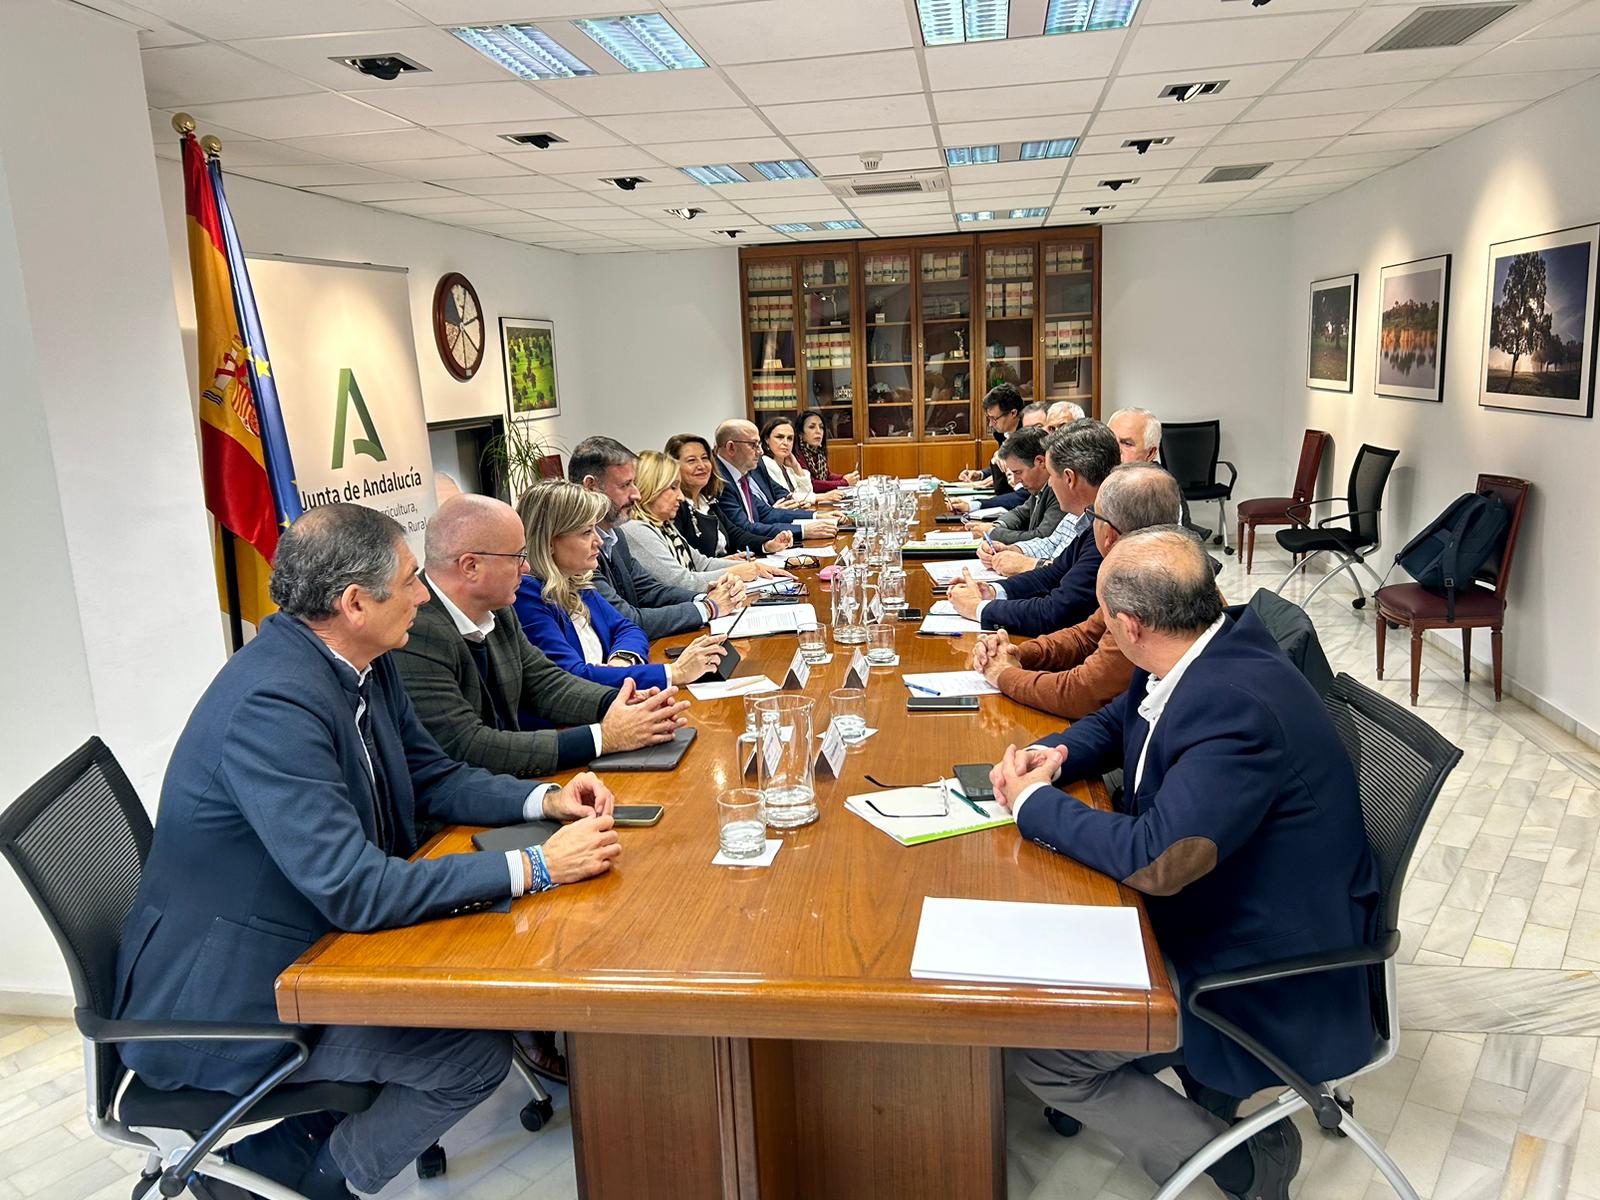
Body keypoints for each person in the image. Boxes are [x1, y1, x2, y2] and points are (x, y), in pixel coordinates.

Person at [113, 503, 621, 1200]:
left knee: (482, 992)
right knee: (467, 1054)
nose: (423, 594)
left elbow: (432, 774)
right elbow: (355, 890)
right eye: (412, 581)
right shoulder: (274, 705)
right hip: (240, 997)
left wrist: (543, 801)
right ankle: (326, 1182)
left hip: (308, 947)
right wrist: (537, 865)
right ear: (355, 602)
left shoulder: (362, 659)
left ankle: (277, 1158)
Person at [989, 527, 1380, 1200]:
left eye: (1108, 622)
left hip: (1261, 968)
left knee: (1043, 1049)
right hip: (1228, 907)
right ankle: (1206, 1098)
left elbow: (1159, 859)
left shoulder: (1235, 705)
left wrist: (1032, 808)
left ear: (1131, 625)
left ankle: (1246, 1163)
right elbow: (1118, 721)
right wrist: (1056, 757)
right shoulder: (1198, 643)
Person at [395, 493, 689, 776]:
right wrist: (604, 737)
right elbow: (469, 744)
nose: (525, 566)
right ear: (471, 566)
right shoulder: (419, 631)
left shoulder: (498, 606)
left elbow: (546, 683)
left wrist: (623, 702)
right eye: (517, 556)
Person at [970, 464, 1182, 718]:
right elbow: (1085, 637)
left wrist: (1004, 674)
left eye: (1094, 517)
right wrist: (1017, 653)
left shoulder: (1148, 588)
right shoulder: (1153, 562)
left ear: (1109, 534)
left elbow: (1084, 693)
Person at [516, 481, 727, 693]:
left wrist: (622, 660)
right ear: (549, 541)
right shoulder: (528, 594)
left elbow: (629, 628)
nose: (598, 540)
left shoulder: (578, 581)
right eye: (586, 532)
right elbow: (573, 677)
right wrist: (675, 672)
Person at [947, 419, 1118, 636]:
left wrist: (977, 608)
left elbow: (1055, 612)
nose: (1049, 484)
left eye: (1051, 475)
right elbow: (1053, 574)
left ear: (1069, 478)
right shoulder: (1091, 518)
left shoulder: (1108, 530)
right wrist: (991, 591)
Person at [569, 435, 742, 639]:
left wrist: (704, 596)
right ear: (591, 487)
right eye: (625, 485)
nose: (636, 494)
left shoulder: (616, 536)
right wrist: (708, 608)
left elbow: (650, 590)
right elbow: (626, 619)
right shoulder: (578, 549)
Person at [622, 450, 790, 592]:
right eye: (673, 488)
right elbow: (681, 582)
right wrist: (737, 572)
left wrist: (755, 567)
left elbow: (702, 563)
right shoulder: (637, 530)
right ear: (650, 487)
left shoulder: (664, 526)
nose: (680, 497)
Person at [714, 418, 838, 544]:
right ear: (731, 448)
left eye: (759, 444)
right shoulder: (720, 481)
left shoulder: (741, 474)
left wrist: (816, 516)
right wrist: (803, 530)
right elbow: (745, 528)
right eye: (753, 445)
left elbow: (767, 513)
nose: (760, 451)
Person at [666, 432, 790, 558]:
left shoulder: (707, 500)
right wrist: (725, 563)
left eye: (705, 458)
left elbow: (734, 534)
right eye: (691, 460)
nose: (702, 466)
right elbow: (688, 562)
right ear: (673, 466)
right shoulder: (675, 508)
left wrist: (768, 545)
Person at [962, 426, 1064, 547]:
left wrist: (991, 533)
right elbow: (1020, 513)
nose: (1016, 481)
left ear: (1040, 462)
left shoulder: (1060, 490)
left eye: (1018, 472)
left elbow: (1041, 537)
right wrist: (997, 525)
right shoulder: (1039, 488)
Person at [950, 384, 1030, 515]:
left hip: (1018, 506)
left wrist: (975, 504)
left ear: (1013, 413)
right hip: (1006, 500)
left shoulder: (1028, 439)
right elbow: (1004, 466)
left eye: (994, 418)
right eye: (989, 418)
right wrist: (981, 474)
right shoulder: (1000, 434)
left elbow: (1025, 494)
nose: (990, 424)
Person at [760, 414, 836, 508]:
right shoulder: (766, 463)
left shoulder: (787, 466)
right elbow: (786, 498)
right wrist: (822, 497)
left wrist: (796, 467)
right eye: (779, 437)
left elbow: (807, 493)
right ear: (767, 439)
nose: (785, 443)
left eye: (790, 438)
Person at [796, 410, 858, 494]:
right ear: (801, 434)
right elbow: (812, 484)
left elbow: (827, 475)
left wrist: (844, 477)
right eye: (812, 427)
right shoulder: (797, 455)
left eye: (821, 427)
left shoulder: (818, 453)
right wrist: (844, 482)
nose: (818, 431)